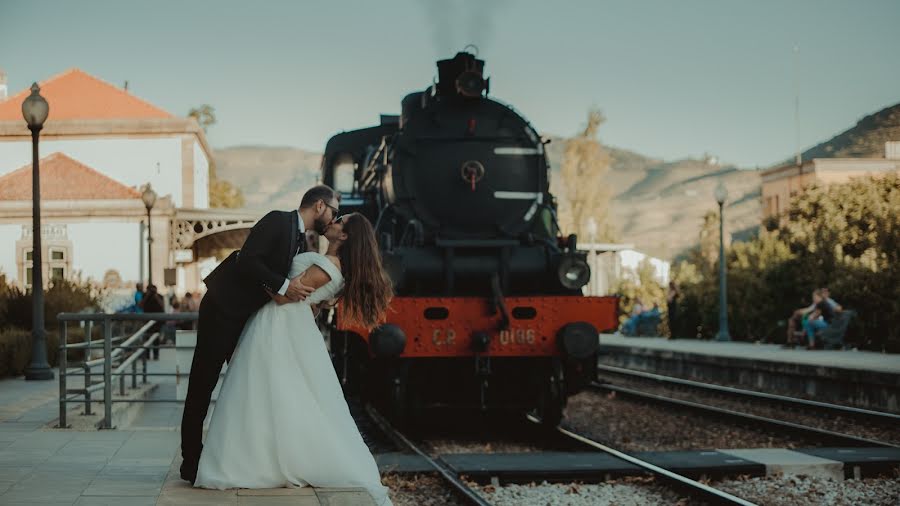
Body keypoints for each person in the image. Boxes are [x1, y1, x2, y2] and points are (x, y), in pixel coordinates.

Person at [194, 213, 394, 506]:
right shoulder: (331, 265)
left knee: (261, 390)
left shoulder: (328, 266)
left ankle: (254, 460)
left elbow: (284, 296)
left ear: (345, 236)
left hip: (278, 324)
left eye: (340, 221)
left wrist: (260, 278)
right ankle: (262, 456)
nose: (334, 221)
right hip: (286, 325)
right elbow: (306, 302)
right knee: (274, 392)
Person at [180, 185, 339, 485]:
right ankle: (191, 461)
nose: (333, 218)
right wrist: (284, 286)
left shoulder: (302, 241)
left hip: (247, 317)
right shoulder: (278, 220)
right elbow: (248, 260)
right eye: (334, 211)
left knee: (244, 385)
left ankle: (235, 457)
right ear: (319, 206)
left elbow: (288, 282)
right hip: (222, 308)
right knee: (204, 382)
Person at [141, 284, 166, 360]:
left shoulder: (159, 296)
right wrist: (147, 296)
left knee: (156, 339)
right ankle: (147, 355)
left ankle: (156, 354)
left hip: (157, 322)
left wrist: (156, 296)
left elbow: (162, 305)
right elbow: (140, 305)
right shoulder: (145, 296)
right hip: (147, 321)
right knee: (147, 338)